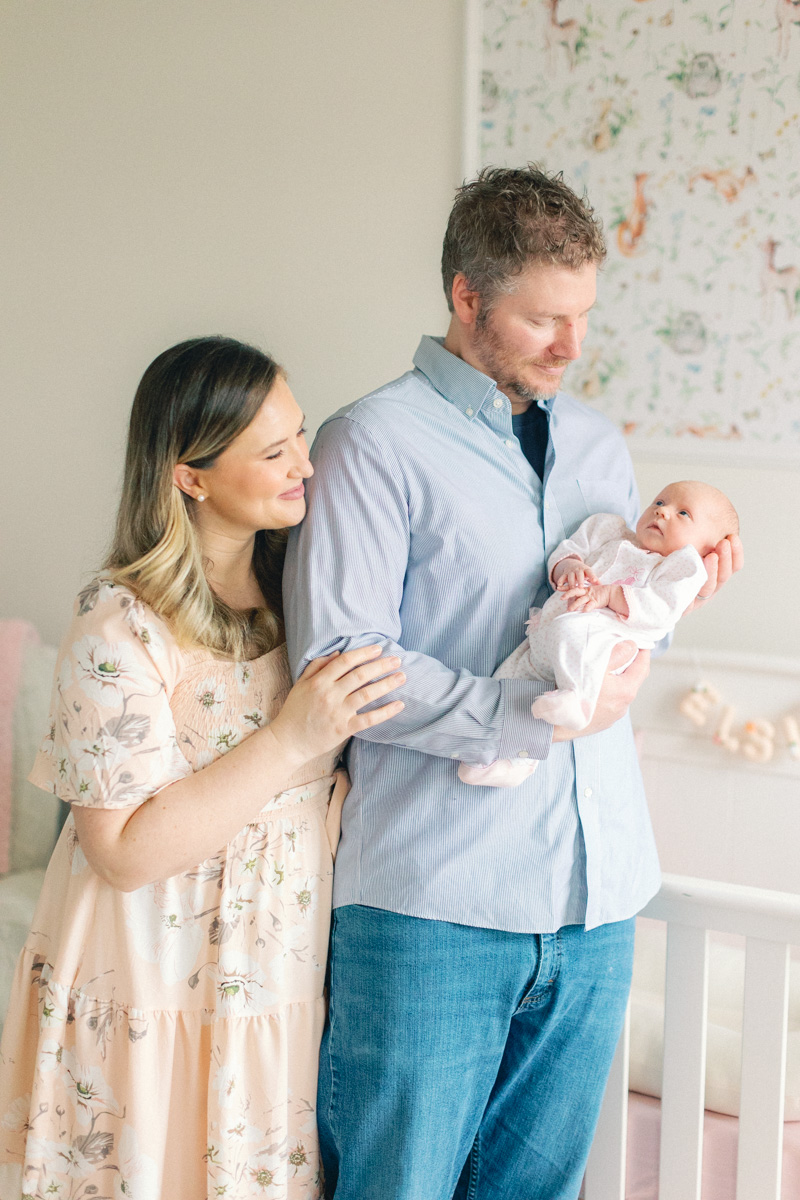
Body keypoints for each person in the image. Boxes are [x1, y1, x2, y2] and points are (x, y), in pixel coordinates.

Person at [283, 166, 743, 1200]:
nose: (570, 347)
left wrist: (670, 597)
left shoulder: (597, 444)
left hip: (596, 898)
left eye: (581, 317)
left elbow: (610, 624)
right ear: (465, 296)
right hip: (431, 906)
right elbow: (338, 665)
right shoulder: (370, 445)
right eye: (543, 320)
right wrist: (524, 719)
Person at [0, 337, 405, 1200]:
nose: (306, 464)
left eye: (300, 435)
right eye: (274, 451)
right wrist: (292, 741)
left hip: (281, 967)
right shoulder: (120, 624)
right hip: (152, 966)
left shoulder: (308, 590)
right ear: (191, 476)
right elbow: (123, 852)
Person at [459, 480, 740, 785]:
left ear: (706, 549)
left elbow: (661, 610)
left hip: (599, 642)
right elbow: (569, 550)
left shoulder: (680, 569)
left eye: (683, 513)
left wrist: (610, 595)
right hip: (543, 637)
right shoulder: (611, 531)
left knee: (573, 631)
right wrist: (568, 567)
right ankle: (508, 762)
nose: (663, 512)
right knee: (507, 682)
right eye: (660, 502)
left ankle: (577, 699)